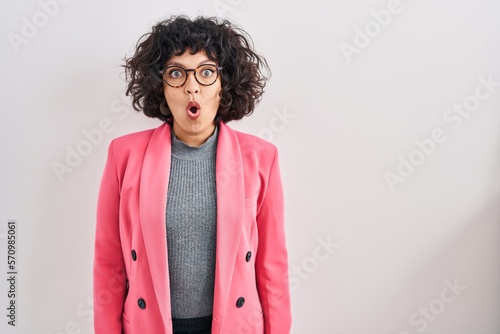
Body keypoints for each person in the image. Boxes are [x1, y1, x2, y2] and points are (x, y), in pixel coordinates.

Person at [93, 15, 291, 334]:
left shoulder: (261, 158)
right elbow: (108, 266)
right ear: (161, 87)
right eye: (176, 73)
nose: (192, 87)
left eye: (206, 72)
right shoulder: (123, 156)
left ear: (224, 83)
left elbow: (273, 268)